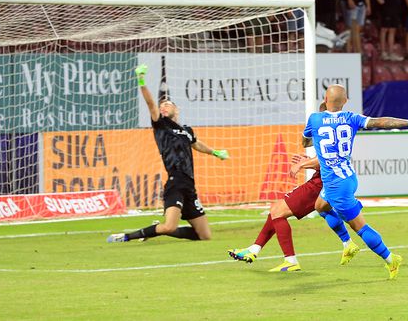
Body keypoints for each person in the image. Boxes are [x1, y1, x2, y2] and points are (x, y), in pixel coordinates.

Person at [304, 84, 408, 279]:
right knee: (320, 206)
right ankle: (348, 244)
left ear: (324, 100)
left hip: (336, 185)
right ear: (346, 102)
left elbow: (305, 142)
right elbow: (382, 122)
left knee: (360, 227)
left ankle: (391, 259)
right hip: (347, 177)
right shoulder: (352, 118)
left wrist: (319, 128)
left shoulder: (314, 119)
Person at [107, 65, 229, 243]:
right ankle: (126, 236)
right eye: (162, 105)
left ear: (176, 110)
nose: (163, 107)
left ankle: (156, 229)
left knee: (204, 235)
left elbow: (196, 144)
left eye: (167, 104)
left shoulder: (187, 130)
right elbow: (150, 104)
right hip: (176, 183)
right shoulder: (161, 125)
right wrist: (141, 82)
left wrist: (215, 152)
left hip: (190, 186)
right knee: (169, 226)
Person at [227, 153, 360, 272]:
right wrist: (310, 163)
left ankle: (290, 261)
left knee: (278, 211)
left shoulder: (323, 126)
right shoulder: (334, 131)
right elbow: (330, 161)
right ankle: (254, 249)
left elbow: (327, 158)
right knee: (278, 210)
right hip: (329, 181)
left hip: (320, 183)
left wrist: (303, 164)